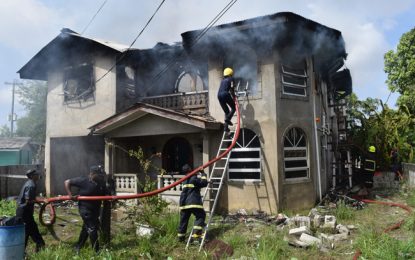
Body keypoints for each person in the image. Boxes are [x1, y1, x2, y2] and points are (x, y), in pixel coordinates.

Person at [65, 165, 108, 253]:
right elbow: (67, 182)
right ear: (92, 174)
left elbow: (106, 194)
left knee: (86, 228)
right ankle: (96, 251)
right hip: (85, 209)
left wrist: (111, 197)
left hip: (96, 210)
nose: (100, 176)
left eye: (101, 175)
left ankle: (78, 247)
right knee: (92, 228)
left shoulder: (101, 182)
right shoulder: (83, 180)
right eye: (98, 174)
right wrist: (70, 195)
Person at [15, 169, 46, 252]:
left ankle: (23, 251)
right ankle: (40, 246)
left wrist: (39, 203)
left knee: (28, 231)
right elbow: (28, 200)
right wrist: (40, 201)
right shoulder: (31, 185)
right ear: (32, 176)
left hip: (23, 211)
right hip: (24, 212)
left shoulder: (29, 183)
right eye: (36, 174)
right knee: (31, 230)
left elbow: (31, 198)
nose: (38, 175)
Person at [177, 164, 208, 244]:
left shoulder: (184, 180)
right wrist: (203, 174)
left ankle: (180, 238)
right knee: (201, 216)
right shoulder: (193, 178)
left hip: (184, 203)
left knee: (183, 221)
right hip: (193, 202)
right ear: (190, 170)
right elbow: (204, 183)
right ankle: (196, 236)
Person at [217, 67, 236, 133]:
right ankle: (227, 119)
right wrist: (234, 96)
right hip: (225, 94)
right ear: (230, 74)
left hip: (219, 96)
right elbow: (232, 89)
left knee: (227, 112)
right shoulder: (231, 79)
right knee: (234, 108)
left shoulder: (222, 81)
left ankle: (226, 128)